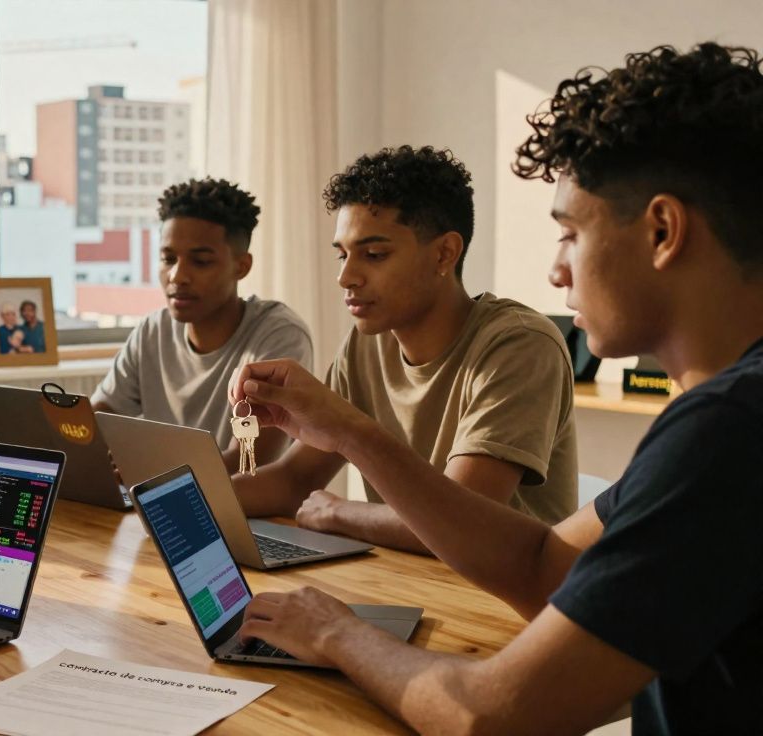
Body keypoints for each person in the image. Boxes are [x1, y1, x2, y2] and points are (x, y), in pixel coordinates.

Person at [230, 43, 763, 734]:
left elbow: (489, 717)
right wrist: (351, 433)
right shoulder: (721, 416)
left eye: (570, 234)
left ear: (662, 231)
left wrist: (335, 632)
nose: (556, 271)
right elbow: (542, 564)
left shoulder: (729, 430)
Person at [232, 146, 577, 553]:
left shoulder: (520, 345)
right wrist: (180, 499)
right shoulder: (365, 344)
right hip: (404, 578)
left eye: (374, 255)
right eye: (342, 255)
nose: (346, 277)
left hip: (502, 591)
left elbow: (462, 525)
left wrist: (340, 512)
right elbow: (293, 481)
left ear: (444, 253)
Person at [92, 177, 313, 471]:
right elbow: (94, 422)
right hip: (155, 492)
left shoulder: (278, 335)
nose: (177, 276)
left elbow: (248, 461)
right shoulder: (152, 332)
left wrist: (144, 469)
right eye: (168, 259)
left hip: (243, 498)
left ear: (242, 266)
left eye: (200, 262)